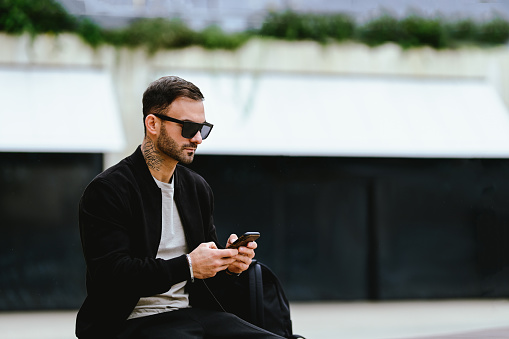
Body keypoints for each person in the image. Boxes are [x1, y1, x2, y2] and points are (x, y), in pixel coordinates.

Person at [75, 76, 283, 339]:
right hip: (130, 323)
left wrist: (228, 265)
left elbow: (206, 282)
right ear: (152, 123)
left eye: (203, 128)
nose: (197, 138)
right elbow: (112, 276)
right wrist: (188, 266)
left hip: (194, 315)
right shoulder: (108, 190)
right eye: (187, 127)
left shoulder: (197, 188)